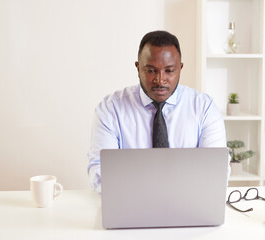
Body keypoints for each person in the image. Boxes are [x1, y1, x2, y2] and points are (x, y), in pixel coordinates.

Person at [87, 30, 227, 193]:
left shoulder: (204, 109)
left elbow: (216, 172)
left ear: (180, 68)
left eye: (169, 71)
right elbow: (100, 174)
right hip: (131, 206)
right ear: (138, 67)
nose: (160, 80)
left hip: (187, 207)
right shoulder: (111, 110)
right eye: (151, 70)